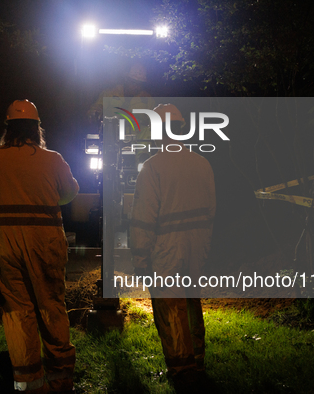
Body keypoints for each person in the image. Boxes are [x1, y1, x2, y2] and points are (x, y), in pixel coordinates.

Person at [0, 100, 79, 393]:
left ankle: (27, 383)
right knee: (51, 307)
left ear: (7, 127)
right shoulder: (53, 159)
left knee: (17, 311)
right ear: (37, 128)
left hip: (4, 244)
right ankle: (60, 380)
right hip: (44, 242)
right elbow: (69, 193)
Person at [129, 104, 216, 391]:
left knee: (170, 308)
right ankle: (198, 361)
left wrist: (140, 258)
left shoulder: (153, 168)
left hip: (166, 251)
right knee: (192, 303)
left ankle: (183, 371)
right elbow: (211, 211)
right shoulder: (203, 164)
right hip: (197, 248)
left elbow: (143, 219)